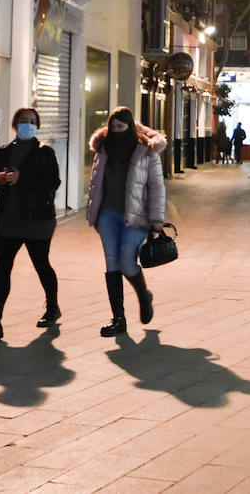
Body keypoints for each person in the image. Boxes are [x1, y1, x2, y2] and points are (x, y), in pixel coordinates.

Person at [0, 107, 62, 340]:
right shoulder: (4, 151)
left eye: (32, 121)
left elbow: (53, 182)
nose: (28, 124)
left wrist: (22, 179)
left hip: (37, 222)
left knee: (42, 265)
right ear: (15, 124)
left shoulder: (45, 152)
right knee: (2, 271)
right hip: (8, 221)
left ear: (38, 126)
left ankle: (52, 307)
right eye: (24, 121)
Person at [87, 106, 167, 337]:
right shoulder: (103, 148)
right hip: (108, 215)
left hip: (136, 216)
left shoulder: (145, 150)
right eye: (112, 127)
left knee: (126, 261)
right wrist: (94, 210)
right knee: (111, 264)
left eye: (121, 127)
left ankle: (143, 295)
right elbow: (96, 182)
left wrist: (156, 218)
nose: (116, 131)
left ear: (130, 127)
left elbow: (156, 186)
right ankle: (118, 319)